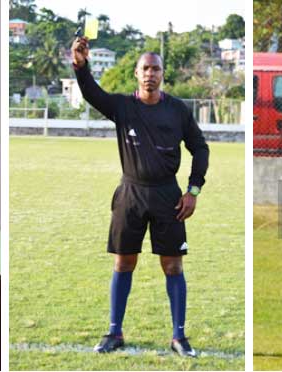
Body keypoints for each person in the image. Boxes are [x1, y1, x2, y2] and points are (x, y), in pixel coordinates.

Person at [70, 36, 209, 357]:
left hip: (168, 196)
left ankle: (179, 336)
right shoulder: (122, 107)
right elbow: (92, 93)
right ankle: (114, 332)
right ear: (136, 74)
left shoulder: (177, 110)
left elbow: (200, 148)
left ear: (163, 74)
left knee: (173, 266)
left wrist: (193, 189)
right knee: (123, 262)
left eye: (155, 69)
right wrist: (80, 65)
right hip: (130, 194)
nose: (150, 74)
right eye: (145, 68)